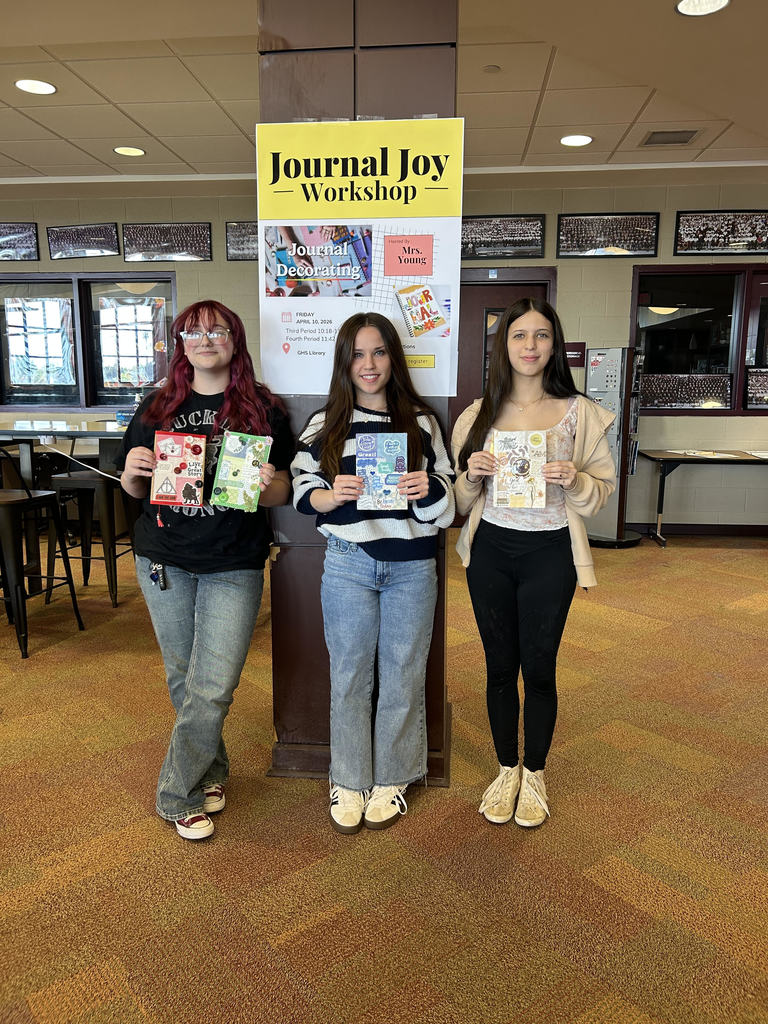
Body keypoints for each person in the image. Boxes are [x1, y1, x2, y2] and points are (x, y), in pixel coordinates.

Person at [117, 300, 293, 841]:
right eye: (193, 332)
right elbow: (134, 489)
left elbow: (282, 493)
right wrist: (133, 470)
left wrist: (269, 482)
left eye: (217, 331)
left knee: (213, 685)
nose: (206, 339)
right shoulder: (157, 407)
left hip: (234, 561)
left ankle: (175, 793)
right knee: (184, 679)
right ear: (181, 345)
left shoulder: (263, 409)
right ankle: (209, 772)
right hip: (163, 557)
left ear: (235, 340)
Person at [451, 297, 616, 829]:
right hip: (492, 551)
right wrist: (471, 476)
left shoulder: (579, 413)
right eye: (519, 335)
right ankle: (506, 769)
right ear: (504, 345)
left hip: (551, 551)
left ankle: (536, 772)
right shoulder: (478, 415)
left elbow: (602, 491)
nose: (530, 346)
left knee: (539, 667)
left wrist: (576, 480)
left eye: (541, 335)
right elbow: (457, 501)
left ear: (554, 344)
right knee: (499, 666)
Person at [291, 312, 454, 834]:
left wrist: (427, 490)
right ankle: (349, 778)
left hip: (411, 566)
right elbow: (301, 488)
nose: (369, 364)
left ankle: (393, 777)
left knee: (404, 673)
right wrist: (328, 495)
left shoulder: (421, 422)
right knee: (350, 675)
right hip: (348, 563)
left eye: (379, 352)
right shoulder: (325, 423)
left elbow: (446, 498)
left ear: (393, 358)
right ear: (344, 362)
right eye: (357, 354)